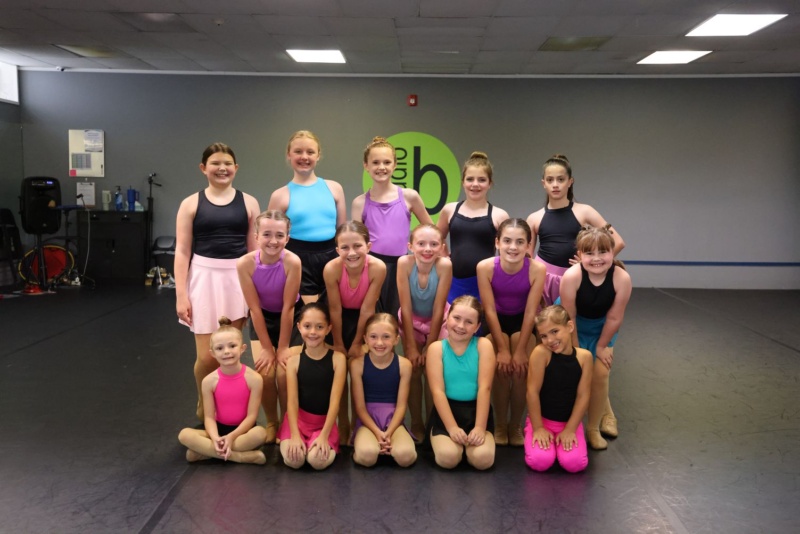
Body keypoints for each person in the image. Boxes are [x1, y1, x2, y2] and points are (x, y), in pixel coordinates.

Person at [175, 142, 260, 421]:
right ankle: (205, 403)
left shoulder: (249, 202)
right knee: (207, 357)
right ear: (203, 168)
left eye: (227, 164)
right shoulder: (190, 203)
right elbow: (182, 251)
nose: (222, 168)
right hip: (203, 278)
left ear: (236, 168)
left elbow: (254, 251)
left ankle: (228, 407)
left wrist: (255, 291)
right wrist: (181, 295)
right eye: (215, 163)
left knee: (230, 352)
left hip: (237, 279)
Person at [558, 224, 632, 450]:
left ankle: (593, 427)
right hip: (572, 326)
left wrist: (601, 346)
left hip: (602, 328)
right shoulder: (572, 276)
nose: (597, 258)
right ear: (580, 255)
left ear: (612, 252)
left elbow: (614, 318)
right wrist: (576, 351)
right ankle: (565, 421)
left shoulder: (621, 278)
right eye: (589, 253)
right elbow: (569, 317)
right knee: (574, 372)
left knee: (600, 372)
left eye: (603, 252)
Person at [477, 218, 545, 447]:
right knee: (500, 367)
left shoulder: (537, 269)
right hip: (494, 320)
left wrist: (520, 351)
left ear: (528, 245)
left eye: (519, 242)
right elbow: (488, 310)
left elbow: (531, 312)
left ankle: (515, 424)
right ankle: (499, 424)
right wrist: (503, 350)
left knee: (520, 370)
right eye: (507, 241)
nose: (513, 247)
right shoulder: (485, 267)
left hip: (522, 321)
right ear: (497, 243)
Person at [236, 210, 301, 443]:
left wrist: (282, 347)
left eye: (279, 235)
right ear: (256, 236)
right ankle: (272, 421)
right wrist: (266, 347)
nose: (273, 241)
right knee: (265, 375)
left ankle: (288, 421)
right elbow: (254, 309)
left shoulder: (292, 262)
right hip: (262, 317)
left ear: (287, 238)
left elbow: (288, 308)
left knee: (284, 374)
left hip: (290, 318)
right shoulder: (245, 264)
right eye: (266, 234)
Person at [526, 154, 625, 306]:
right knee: (543, 320)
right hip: (542, 280)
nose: (555, 184)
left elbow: (618, 242)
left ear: (570, 181)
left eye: (561, 179)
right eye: (550, 180)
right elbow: (527, 259)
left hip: (575, 278)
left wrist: (590, 263)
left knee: (571, 319)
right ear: (543, 183)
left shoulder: (585, 211)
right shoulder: (534, 218)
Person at [352, 136, 433, 318]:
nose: (381, 167)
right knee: (372, 318)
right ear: (366, 165)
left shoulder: (409, 196)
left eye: (387, 162)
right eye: (375, 162)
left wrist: (423, 252)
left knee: (398, 317)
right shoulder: (359, 203)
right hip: (372, 267)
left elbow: (431, 230)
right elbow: (356, 242)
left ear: (395, 165)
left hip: (401, 266)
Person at [323, 220, 386, 443]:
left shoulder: (378, 267)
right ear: (337, 249)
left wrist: (359, 342)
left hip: (366, 317)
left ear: (368, 246)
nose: (351, 253)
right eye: (345, 247)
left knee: (359, 369)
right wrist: (338, 343)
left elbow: (368, 309)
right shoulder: (332, 269)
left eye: (357, 246)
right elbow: (334, 308)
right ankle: (342, 422)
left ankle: (361, 422)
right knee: (338, 370)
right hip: (339, 317)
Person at [268, 130, 347, 304]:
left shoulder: (334, 188)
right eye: (298, 151)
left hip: (332, 256)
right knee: (307, 314)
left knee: (333, 312)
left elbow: (342, 232)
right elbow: (271, 240)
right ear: (289, 155)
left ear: (318, 155)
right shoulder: (280, 196)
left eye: (310, 152)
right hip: (297, 259)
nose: (304, 157)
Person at [178, 317, 267, 465]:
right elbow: (209, 417)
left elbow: (251, 416)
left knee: (260, 434)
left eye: (232, 346)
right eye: (220, 348)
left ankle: (208, 452)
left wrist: (231, 437)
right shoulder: (208, 381)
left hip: (243, 433)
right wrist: (215, 438)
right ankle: (240, 457)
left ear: (242, 348)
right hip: (218, 431)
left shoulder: (254, 379)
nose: (227, 352)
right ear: (212, 353)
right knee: (184, 435)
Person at [426, 295, 496, 470]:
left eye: (469, 322)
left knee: (483, 460)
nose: (461, 326)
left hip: (476, 412)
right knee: (448, 458)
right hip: (447, 413)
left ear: (477, 327)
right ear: (447, 317)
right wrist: (451, 428)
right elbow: (438, 392)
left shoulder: (483, 345)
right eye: (456, 318)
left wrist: (479, 427)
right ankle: (453, 446)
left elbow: (485, 388)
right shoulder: (436, 348)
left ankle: (469, 449)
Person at [396, 223, 452, 442]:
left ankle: (432, 422)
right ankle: (417, 423)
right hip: (410, 321)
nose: (427, 249)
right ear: (410, 246)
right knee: (412, 369)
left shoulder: (444, 265)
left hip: (438, 321)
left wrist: (430, 345)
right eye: (421, 244)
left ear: (442, 247)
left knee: (433, 372)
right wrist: (411, 346)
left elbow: (438, 309)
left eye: (433, 244)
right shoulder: (404, 263)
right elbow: (405, 306)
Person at [278, 303, 347, 470]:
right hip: (297, 422)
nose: (313, 332)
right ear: (299, 327)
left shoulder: (338, 359)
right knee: (294, 460)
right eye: (307, 326)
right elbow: (292, 402)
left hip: (324, 424)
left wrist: (324, 436)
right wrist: (295, 435)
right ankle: (298, 441)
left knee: (317, 461)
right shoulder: (293, 362)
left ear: (328, 329)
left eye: (319, 327)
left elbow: (335, 402)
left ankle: (318, 443)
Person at [525, 306, 592, 473]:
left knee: (575, 464)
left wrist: (570, 429)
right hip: (542, 421)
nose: (550, 340)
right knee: (540, 461)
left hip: (569, 423)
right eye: (544, 336)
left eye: (555, 331)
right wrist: (538, 427)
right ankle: (532, 432)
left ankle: (566, 441)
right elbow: (532, 392)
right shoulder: (541, 353)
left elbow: (583, 396)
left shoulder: (584, 357)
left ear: (569, 326)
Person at [437, 151, 509, 304]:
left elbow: (507, 251)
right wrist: (444, 257)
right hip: (454, 281)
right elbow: (437, 238)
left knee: (481, 319)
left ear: (490, 183)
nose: (475, 184)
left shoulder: (499, 215)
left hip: (485, 283)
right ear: (463, 182)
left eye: (481, 180)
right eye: (470, 179)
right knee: (453, 319)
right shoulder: (449, 210)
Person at [350, 313, 417, 467]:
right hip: (368, 421)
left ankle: (387, 445)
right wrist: (377, 432)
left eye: (386, 337)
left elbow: (401, 406)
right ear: (365, 339)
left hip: (394, 421)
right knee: (367, 456)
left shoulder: (404, 365)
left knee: (406, 457)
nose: (379, 342)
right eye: (373, 337)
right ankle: (366, 448)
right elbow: (359, 407)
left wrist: (388, 432)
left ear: (396, 339)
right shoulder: (357, 365)